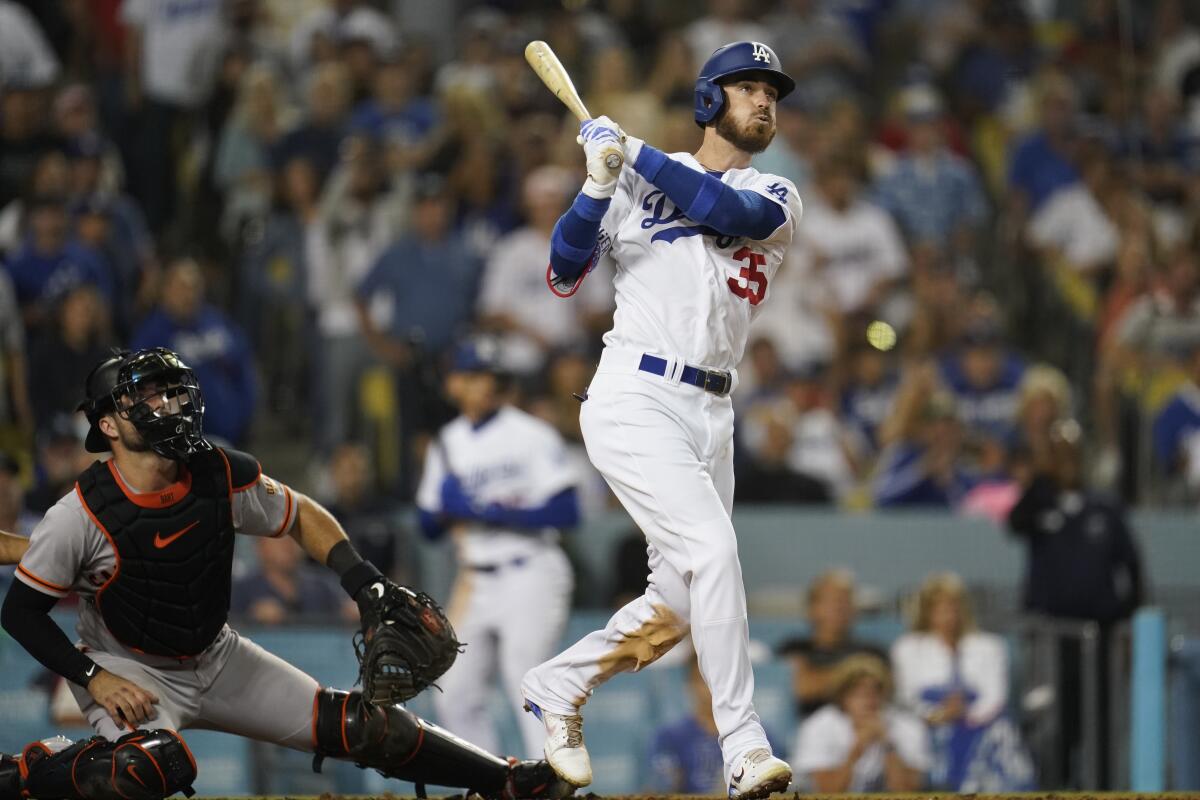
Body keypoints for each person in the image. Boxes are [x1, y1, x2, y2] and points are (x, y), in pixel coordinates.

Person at [0, 347, 569, 800]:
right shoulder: (78, 513)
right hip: (129, 667)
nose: (169, 404)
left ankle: (506, 781)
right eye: (145, 397)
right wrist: (93, 677)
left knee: (360, 726)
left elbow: (300, 515)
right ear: (109, 425)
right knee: (150, 766)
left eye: (172, 391)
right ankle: (29, 772)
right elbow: (20, 612)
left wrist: (364, 581)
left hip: (216, 654)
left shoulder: (216, 470)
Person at [521, 41, 803, 798]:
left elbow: (724, 209)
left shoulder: (776, 193)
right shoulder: (632, 182)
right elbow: (562, 272)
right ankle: (742, 745)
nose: (765, 101)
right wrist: (594, 184)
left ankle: (558, 684)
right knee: (714, 550)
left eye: (771, 92)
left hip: (714, 411)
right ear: (709, 100)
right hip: (634, 395)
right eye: (748, 88)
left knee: (677, 608)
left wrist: (634, 151)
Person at [417, 339, 579, 758]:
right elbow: (426, 528)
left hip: (530, 571)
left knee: (528, 685)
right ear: (455, 384)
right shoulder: (447, 444)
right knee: (454, 694)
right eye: (474, 377)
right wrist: (443, 512)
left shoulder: (529, 433)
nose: (484, 385)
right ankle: (494, 783)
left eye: (490, 377)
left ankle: (553, 780)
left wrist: (488, 512)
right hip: (475, 581)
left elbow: (567, 510)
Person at [890, 573, 1034, 791]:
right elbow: (905, 697)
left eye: (952, 605)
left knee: (999, 733)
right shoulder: (908, 648)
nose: (948, 613)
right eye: (939, 606)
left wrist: (965, 715)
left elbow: (996, 695)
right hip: (928, 723)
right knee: (907, 732)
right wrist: (938, 715)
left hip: (980, 723)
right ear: (926, 610)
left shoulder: (990, 646)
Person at [792, 655, 929, 792]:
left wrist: (887, 745)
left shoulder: (908, 727)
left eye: (875, 691)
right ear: (842, 697)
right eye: (859, 693)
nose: (869, 699)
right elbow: (828, 791)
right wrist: (856, 750)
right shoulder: (819, 727)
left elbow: (907, 792)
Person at [776, 570, 887, 718]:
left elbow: (882, 690)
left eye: (845, 600)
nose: (839, 607)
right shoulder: (794, 647)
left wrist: (819, 678)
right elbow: (802, 688)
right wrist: (855, 677)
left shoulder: (873, 651)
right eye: (831, 601)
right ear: (812, 608)